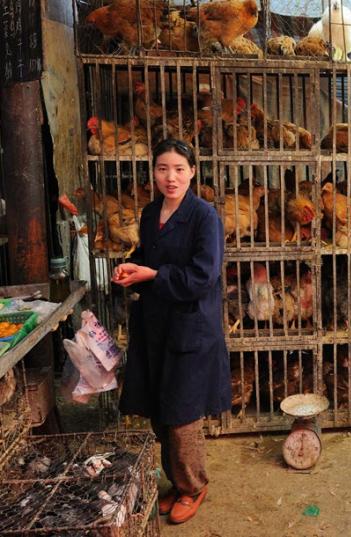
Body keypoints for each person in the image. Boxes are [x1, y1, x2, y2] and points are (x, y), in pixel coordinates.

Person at [113, 138, 231, 524]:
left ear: (193, 172)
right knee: (160, 413)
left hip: (191, 328)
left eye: (179, 169)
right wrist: (132, 266)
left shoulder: (204, 217)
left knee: (183, 416)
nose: (171, 177)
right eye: (163, 169)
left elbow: (202, 276)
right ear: (154, 174)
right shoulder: (150, 214)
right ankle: (178, 483)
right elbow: (150, 256)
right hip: (156, 326)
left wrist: (153, 275)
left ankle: (194, 486)